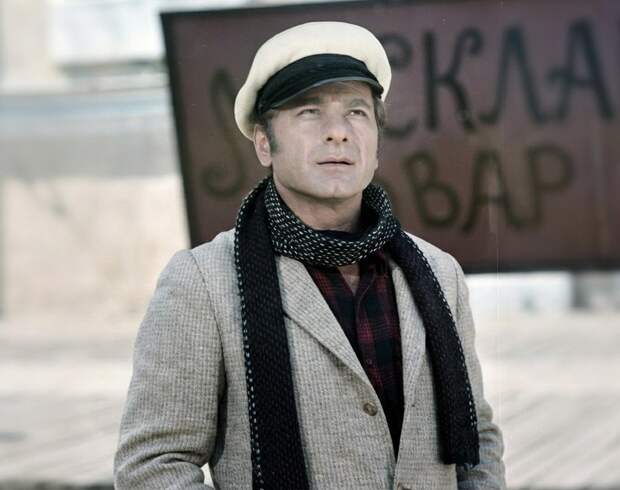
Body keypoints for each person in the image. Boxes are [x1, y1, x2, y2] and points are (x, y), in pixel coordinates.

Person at [114, 21, 506, 489]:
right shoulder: (202, 282)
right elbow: (153, 465)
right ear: (264, 143)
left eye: (356, 112)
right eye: (309, 112)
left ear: (376, 145)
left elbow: (477, 441)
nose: (338, 132)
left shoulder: (438, 273)